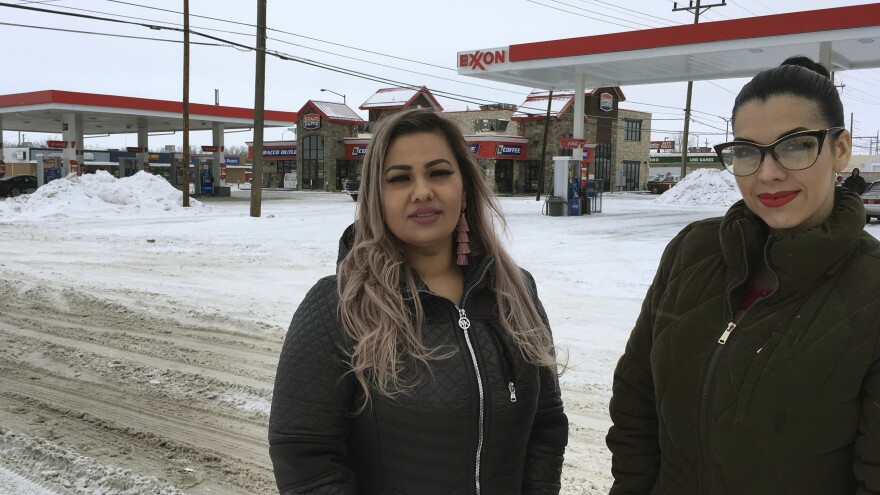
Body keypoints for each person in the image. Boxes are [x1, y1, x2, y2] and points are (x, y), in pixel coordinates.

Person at [606, 56, 880, 494]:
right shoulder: (691, 252)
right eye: (748, 151)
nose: (768, 173)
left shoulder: (871, 288)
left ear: (840, 149)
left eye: (796, 145)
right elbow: (636, 402)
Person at [269, 109, 568, 494]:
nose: (422, 191)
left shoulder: (515, 291)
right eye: (400, 178)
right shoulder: (339, 305)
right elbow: (305, 461)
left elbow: (546, 426)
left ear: (464, 188)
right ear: (377, 197)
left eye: (439, 173)